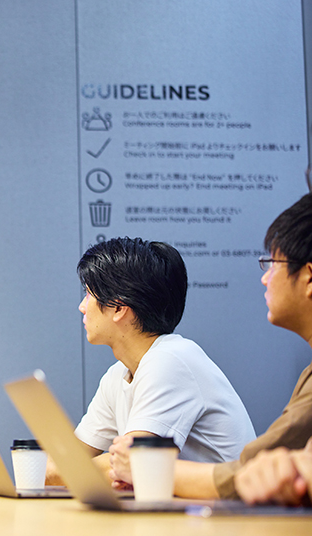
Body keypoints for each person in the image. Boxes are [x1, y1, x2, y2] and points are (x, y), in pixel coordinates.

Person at [109, 194, 312, 504]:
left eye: (272, 264)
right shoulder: (119, 371)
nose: (264, 278)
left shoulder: (170, 358)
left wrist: (146, 467)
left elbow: (250, 474)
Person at [46, 237, 255, 485]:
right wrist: (67, 469)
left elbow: (135, 463)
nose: (82, 307)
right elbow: (61, 466)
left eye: (89, 295)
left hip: (230, 507)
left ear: (118, 307)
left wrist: (73, 469)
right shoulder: (118, 374)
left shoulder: (171, 360)